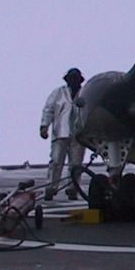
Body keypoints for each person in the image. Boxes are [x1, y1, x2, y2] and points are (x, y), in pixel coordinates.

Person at [39, 68, 86, 200]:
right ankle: (51, 188)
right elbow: (48, 110)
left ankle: (72, 189)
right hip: (60, 133)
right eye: (71, 79)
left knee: (76, 164)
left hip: (79, 135)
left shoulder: (85, 93)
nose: (74, 81)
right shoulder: (58, 93)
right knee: (55, 162)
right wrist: (44, 126)